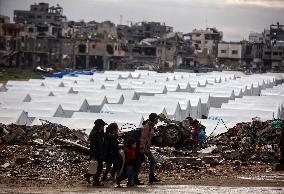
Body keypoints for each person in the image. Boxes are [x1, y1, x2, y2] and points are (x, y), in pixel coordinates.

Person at [139, 113, 160, 184]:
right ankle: (150, 177)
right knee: (152, 161)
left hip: (146, 147)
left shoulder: (151, 126)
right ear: (154, 119)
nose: (158, 120)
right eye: (157, 119)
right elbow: (143, 138)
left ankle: (151, 177)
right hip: (144, 148)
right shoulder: (147, 126)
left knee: (153, 161)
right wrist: (142, 148)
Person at [84, 119, 107, 186]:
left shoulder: (101, 134)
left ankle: (88, 176)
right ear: (99, 126)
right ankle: (96, 181)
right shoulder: (94, 135)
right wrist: (93, 155)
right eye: (102, 126)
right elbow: (93, 146)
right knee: (98, 169)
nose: (103, 127)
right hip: (96, 154)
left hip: (101, 154)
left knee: (96, 168)